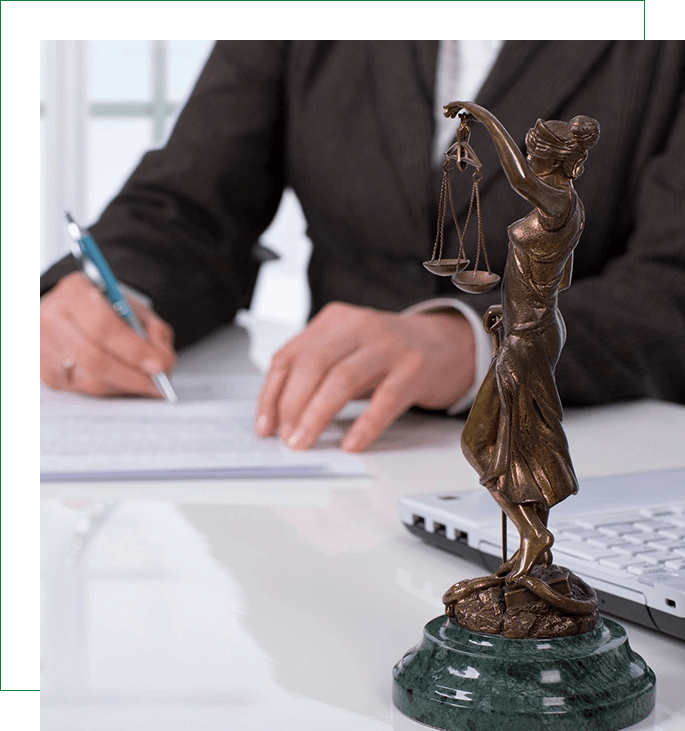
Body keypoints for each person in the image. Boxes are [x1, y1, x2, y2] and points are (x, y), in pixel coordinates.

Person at [40, 41, 685, 454]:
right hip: (328, 457)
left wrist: (472, 342)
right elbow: (187, 202)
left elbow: (671, 288)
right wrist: (111, 290)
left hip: (592, 459)